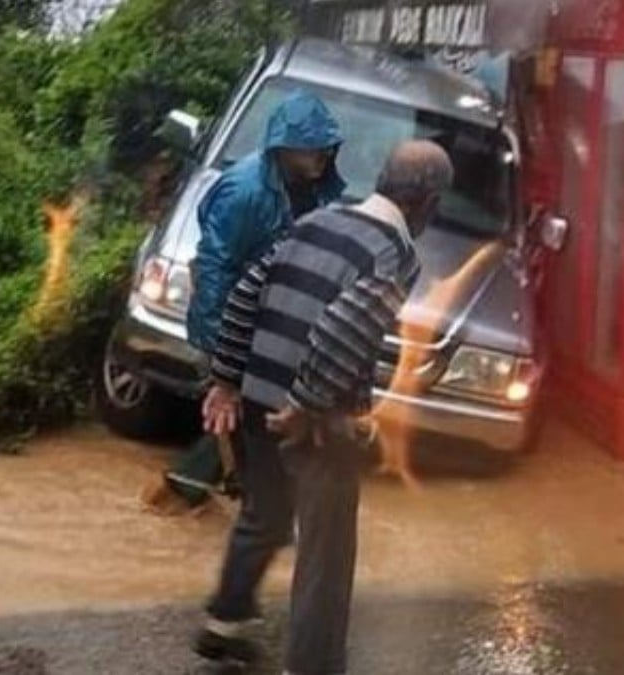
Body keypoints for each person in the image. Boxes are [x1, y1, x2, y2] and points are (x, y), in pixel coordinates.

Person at [193, 140, 455, 674]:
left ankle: (224, 621)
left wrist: (225, 379)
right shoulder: (395, 254)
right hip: (311, 419)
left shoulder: (318, 220)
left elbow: (247, 290)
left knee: (264, 514)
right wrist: (306, 404)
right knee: (327, 553)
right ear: (428, 202)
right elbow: (345, 327)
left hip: (258, 393)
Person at [162, 90, 346, 506]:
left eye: (326, 146)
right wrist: (218, 344)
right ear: (284, 147)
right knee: (240, 413)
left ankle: (196, 494)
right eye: (312, 146)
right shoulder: (245, 191)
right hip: (232, 315)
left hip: (272, 321)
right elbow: (213, 265)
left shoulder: (318, 190)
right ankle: (188, 493)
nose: (322, 154)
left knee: (245, 416)